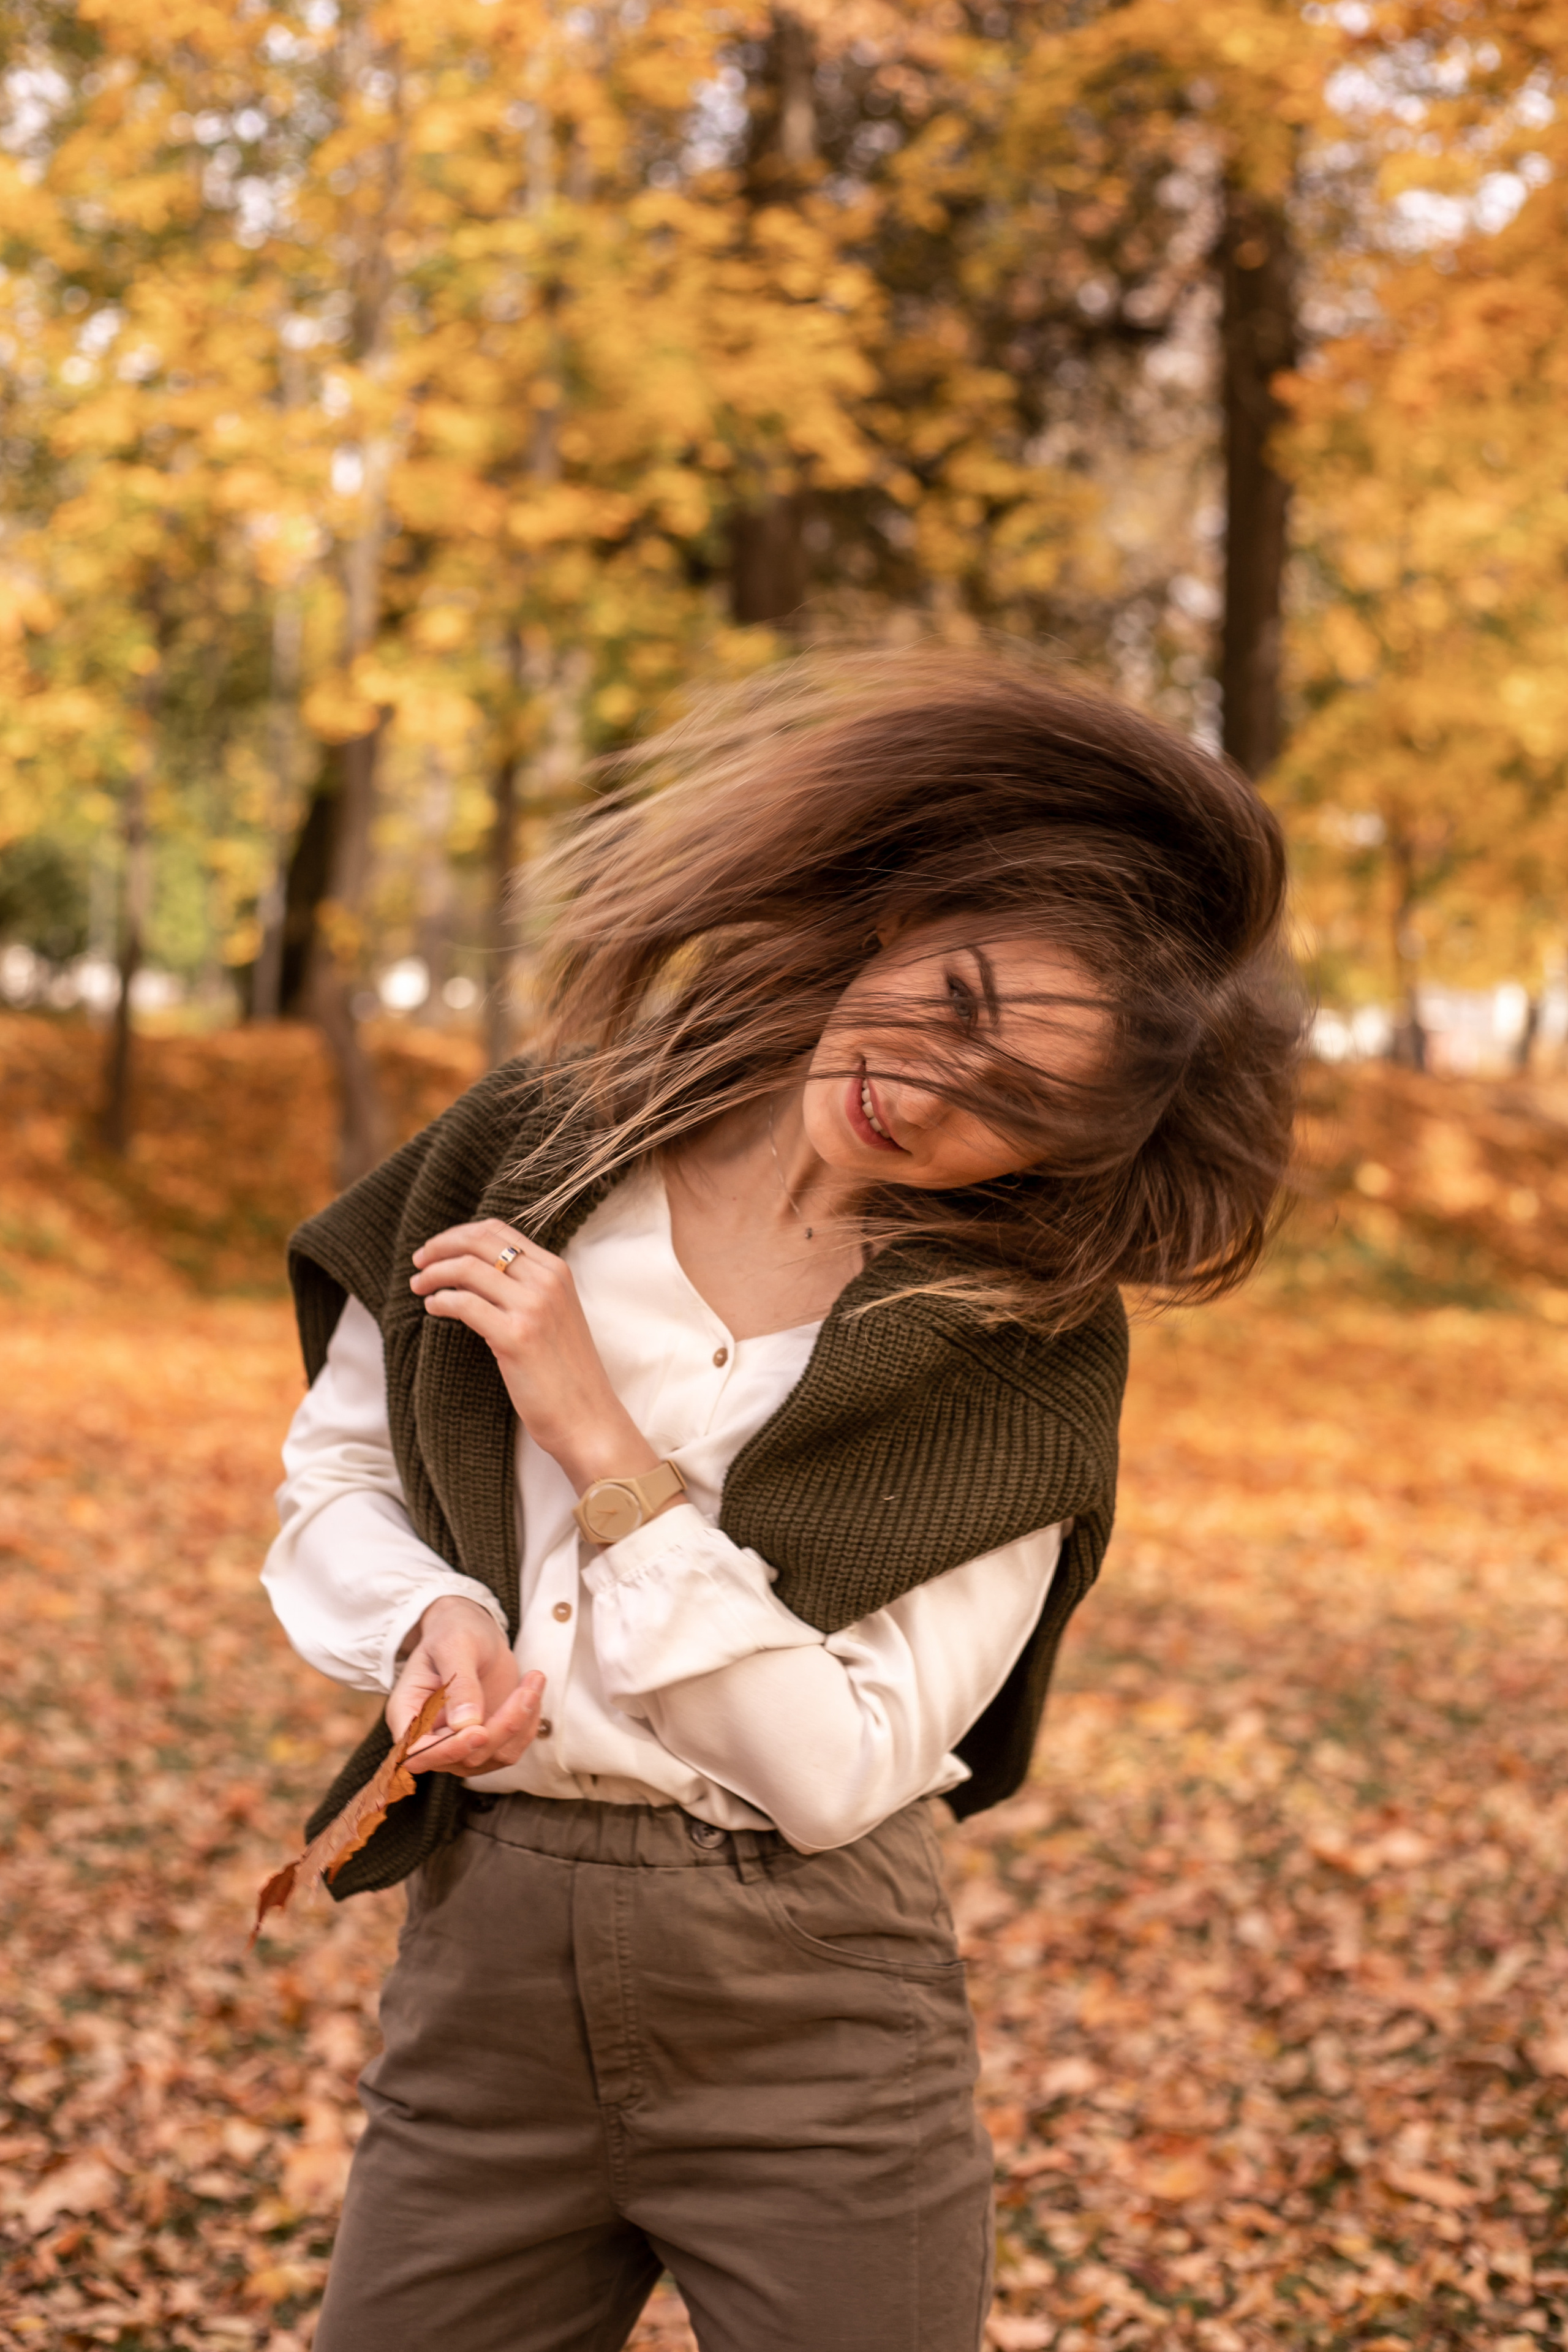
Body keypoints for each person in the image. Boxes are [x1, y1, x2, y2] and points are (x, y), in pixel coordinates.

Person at [263, 651, 1301, 2352]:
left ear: (1062, 1163)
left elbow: (830, 1770)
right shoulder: (536, 1141)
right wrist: (428, 1618)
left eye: (1011, 1109)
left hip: (811, 2006)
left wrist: (604, 1446)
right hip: (487, 1965)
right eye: (958, 997)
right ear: (901, 916)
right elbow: (344, 1471)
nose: (928, 1085)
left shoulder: (1017, 1355)